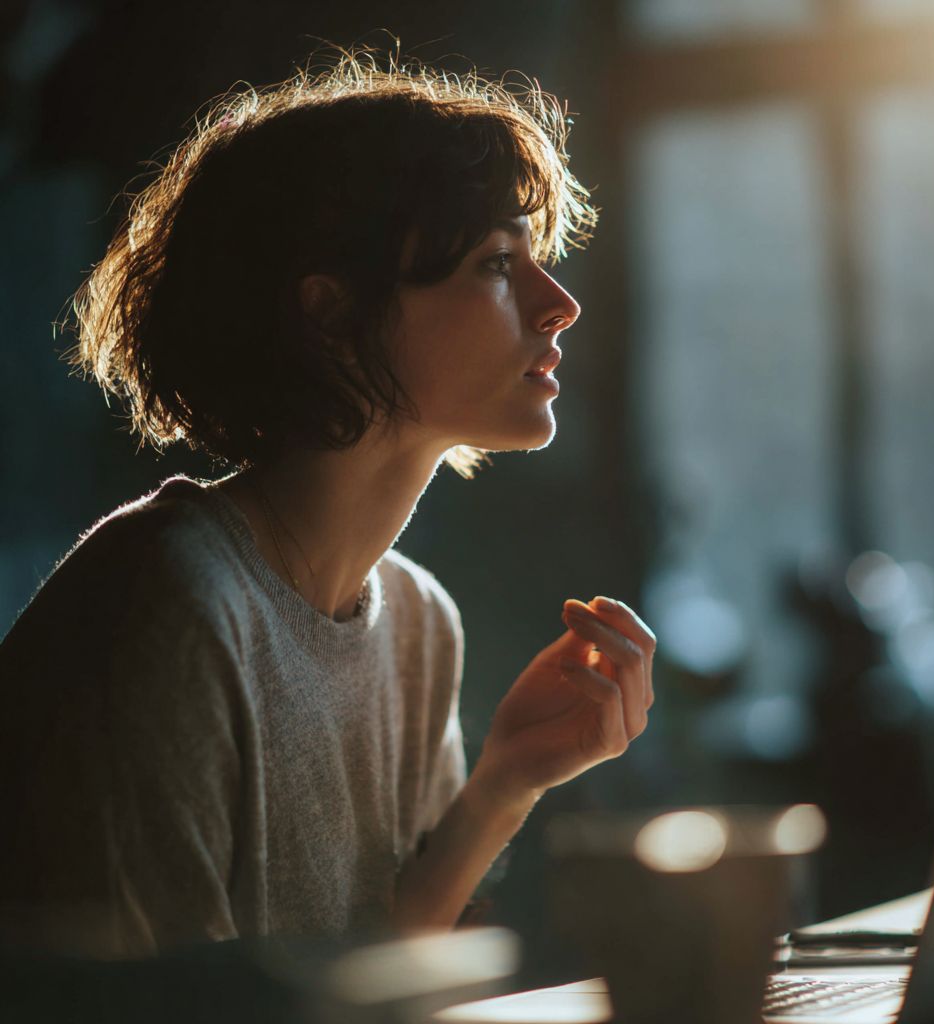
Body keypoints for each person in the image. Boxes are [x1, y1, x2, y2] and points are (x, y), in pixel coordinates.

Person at [0, 48, 656, 959]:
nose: (559, 306)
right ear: (332, 315)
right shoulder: (166, 608)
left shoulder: (422, 624)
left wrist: (506, 782)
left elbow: (376, 983)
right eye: (497, 264)